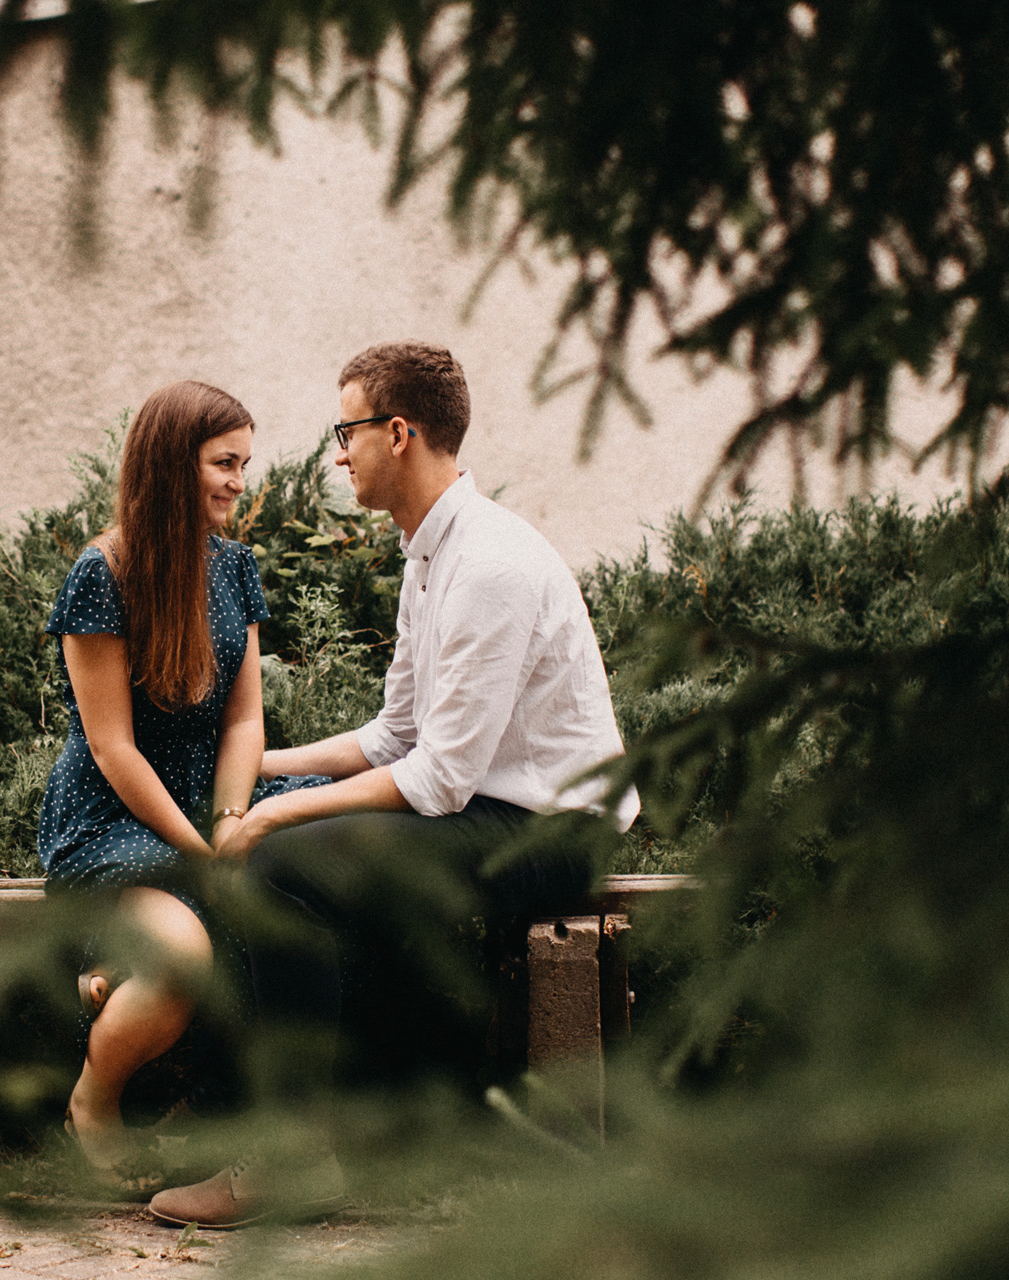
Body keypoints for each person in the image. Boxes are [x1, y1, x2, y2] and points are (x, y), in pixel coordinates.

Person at [148, 341, 639, 1228]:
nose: (339, 453)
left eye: (349, 430)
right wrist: (258, 770)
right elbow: (395, 736)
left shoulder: (490, 564)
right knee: (271, 848)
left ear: (399, 432)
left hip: (552, 831)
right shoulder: (429, 551)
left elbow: (440, 778)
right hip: (490, 810)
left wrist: (277, 817)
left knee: (278, 863)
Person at [39, 380, 327, 1192]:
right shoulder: (103, 573)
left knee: (312, 882)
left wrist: (234, 819)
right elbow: (112, 748)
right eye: (224, 463)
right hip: (114, 816)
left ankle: (241, 1121)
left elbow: (244, 724)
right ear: (172, 465)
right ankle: (92, 1104)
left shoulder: (236, 567)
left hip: (212, 796)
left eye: (245, 462)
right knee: (182, 957)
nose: (241, 480)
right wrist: (203, 850)